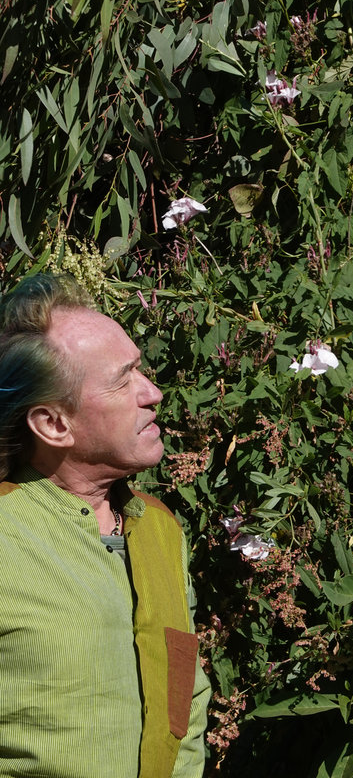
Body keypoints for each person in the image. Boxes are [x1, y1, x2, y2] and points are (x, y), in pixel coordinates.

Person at [0, 272, 210, 778]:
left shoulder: (158, 529)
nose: (153, 393)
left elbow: (185, 706)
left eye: (141, 369)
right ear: (54, 424)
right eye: (122, 380)